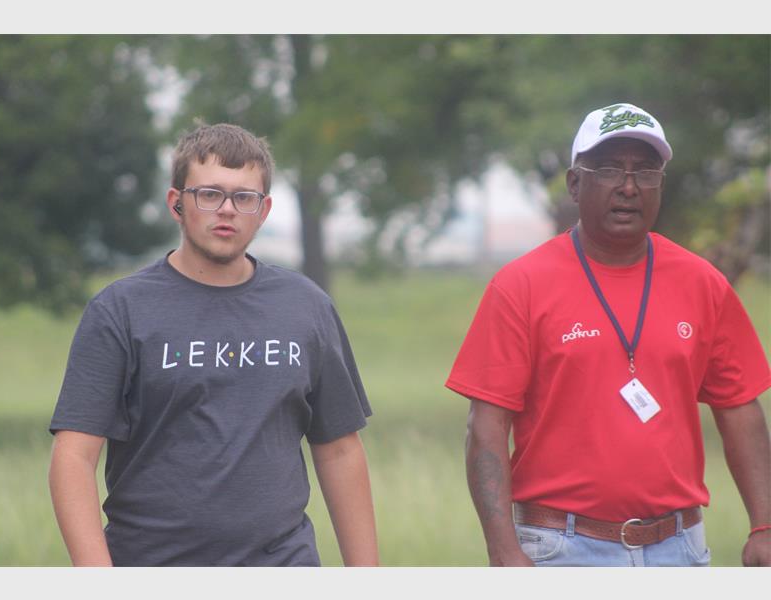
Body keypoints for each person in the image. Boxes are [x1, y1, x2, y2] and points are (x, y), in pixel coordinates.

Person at [445, 102, 771, 567]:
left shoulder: (703, 283)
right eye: (609, 169)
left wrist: (765, 525)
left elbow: (740, 407)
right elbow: (485, 425)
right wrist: (503, 550)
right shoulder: (521, 285)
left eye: (646, 171)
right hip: (559, 549)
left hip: (678, 548)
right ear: (575, 184)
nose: (629, 186)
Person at [48, 123, 378, 567]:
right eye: (209, 194)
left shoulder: (307, 308)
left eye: (244, 197)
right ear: (177, 203)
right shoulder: (120, 311)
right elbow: (72, 457)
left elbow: (340, 450)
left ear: (263, 211)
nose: (227, 210)